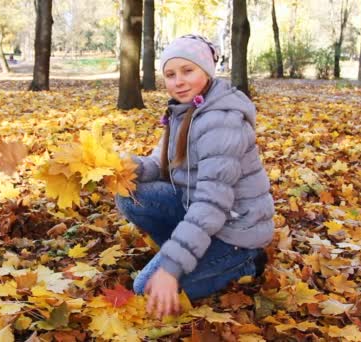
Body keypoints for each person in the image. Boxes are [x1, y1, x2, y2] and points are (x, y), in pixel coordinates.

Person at [115, 34, 274, 319]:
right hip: (202, 215)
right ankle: (185, 250)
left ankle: (245, 262)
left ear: (206, 70)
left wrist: (169, 269)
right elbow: (159, 162)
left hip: (233, 233)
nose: (179, 81)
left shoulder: (220, 121)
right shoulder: (185, 110)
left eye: (188, 71)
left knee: (144, 288)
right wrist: (127, 168)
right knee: (129, 193)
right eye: (171, 74)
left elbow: (211, 205)